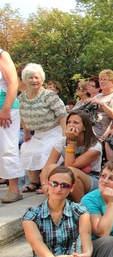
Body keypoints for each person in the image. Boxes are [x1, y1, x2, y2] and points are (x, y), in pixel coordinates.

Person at [22, 166, 94, 257]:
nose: (58, 189)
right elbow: (36, 242)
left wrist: (87, 254)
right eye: (54, 183)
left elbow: (86, 234)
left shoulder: (79, 210)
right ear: (47, 184)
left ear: (71, 188)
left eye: (64, 185)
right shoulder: (32, 214)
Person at [19, 63, 67, 194]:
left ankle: (46, 182)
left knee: (46, 152)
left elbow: (62, 114)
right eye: (30, 77)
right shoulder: (21, 98)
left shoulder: (49, 95)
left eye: (36, 77)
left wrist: (64, 132)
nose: (34, 80)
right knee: (27, 149)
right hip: (38, 133)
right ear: (25, 79)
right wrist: (26, 134)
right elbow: (23, 117)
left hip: (54, 131)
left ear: (42, 79)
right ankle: (34, 182)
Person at [40, 110, 102, 202]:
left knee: (71, 171)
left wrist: (71, 140)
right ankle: (56, 204)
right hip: (67, 177)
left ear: (84, 127)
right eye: (69, 122)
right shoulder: (61, 141)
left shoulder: (95, 146)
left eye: (76, 123)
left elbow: (70, 165)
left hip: (90, 178)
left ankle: (81, 206)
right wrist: (44, 184)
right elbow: (47, 167)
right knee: (52, 167)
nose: (71, 125)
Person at [0, 48, 24, 203]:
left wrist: (6, 108)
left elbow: (13, 83)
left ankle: (14, 189)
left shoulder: (2, 55)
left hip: (5, 108)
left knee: (7, 148)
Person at [89, 69, 113, 140]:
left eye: (105, 79)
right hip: (91, 125)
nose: (101, 82)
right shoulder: (98, 96)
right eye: (100, 79)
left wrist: (102, 104)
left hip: (101, 131)